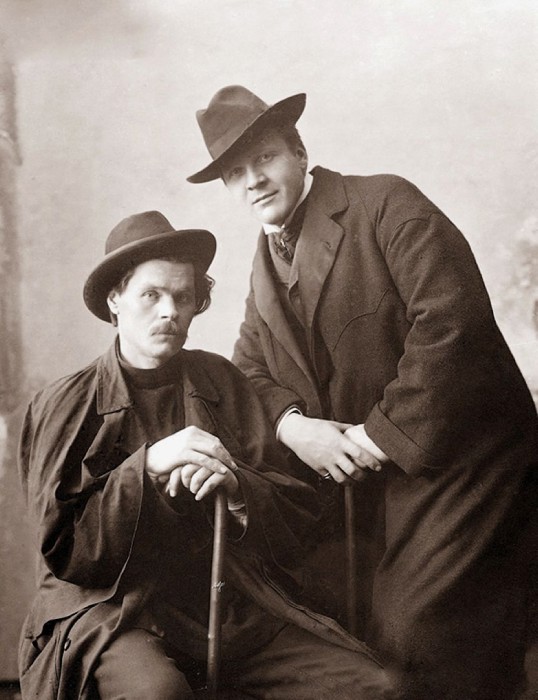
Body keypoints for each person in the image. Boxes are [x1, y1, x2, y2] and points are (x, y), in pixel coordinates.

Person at [188, 85, 538, 699]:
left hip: (465, 465)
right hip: (375, 485)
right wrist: (295, 428)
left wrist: (373, 439)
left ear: (299, 154)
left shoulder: (386, 203)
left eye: (264, 158)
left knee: (416, 635)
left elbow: (452, 324)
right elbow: (248, 371)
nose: (254, 181)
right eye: (236, 173)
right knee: (338, 629)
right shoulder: (264, 266)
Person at [17, 211, 399, 700]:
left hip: (224, 601)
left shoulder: (222, 382)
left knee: (372, 687)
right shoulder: (67, 404)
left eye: (183, 297)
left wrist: (238, 490)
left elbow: (295, 512)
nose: (169, 311)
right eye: (151, 295)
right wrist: (147, 466)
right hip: (113, 610)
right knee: (159, 694)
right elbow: (66, 550)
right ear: (115, 299)